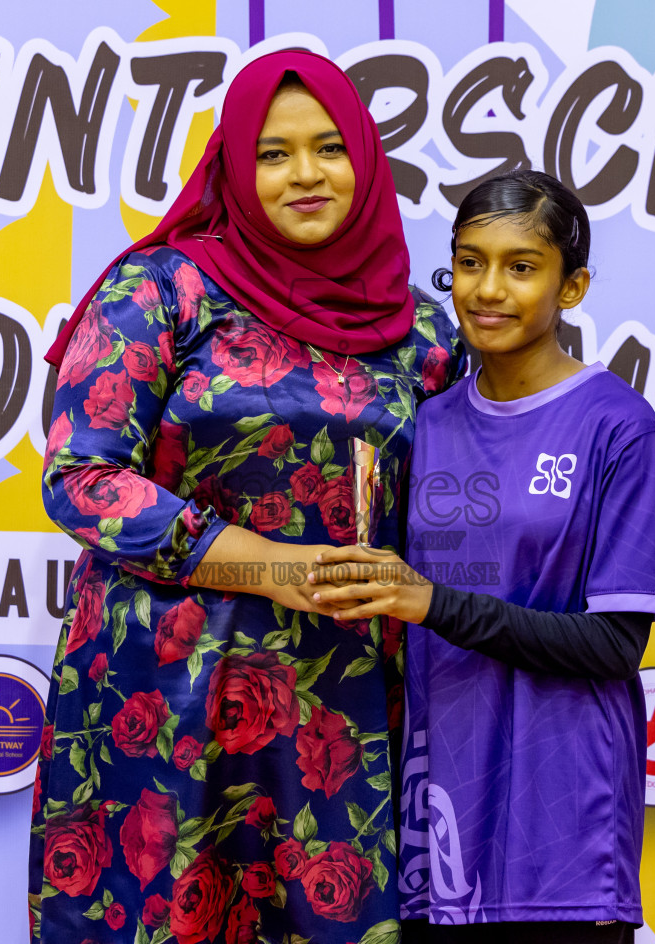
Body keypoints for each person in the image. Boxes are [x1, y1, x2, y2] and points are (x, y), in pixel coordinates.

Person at [30, 49, 463, 944]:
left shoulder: (419, 330)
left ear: (367, 161)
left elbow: (452, 505)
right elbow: (84, 480)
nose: (306, 175)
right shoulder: (162, 289)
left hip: (345, 703)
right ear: (234, 165)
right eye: (272, 154)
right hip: (168, 691)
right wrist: (272, 566)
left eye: (330, 148)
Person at [310, 171, 655, 944]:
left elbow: (614, 643)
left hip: (562, 831)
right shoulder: (425, 423)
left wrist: (433, 603)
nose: (488, 290)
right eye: (469, 262)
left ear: (571, 287)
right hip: (436, 827)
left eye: (521, 266)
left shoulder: (618, 425)